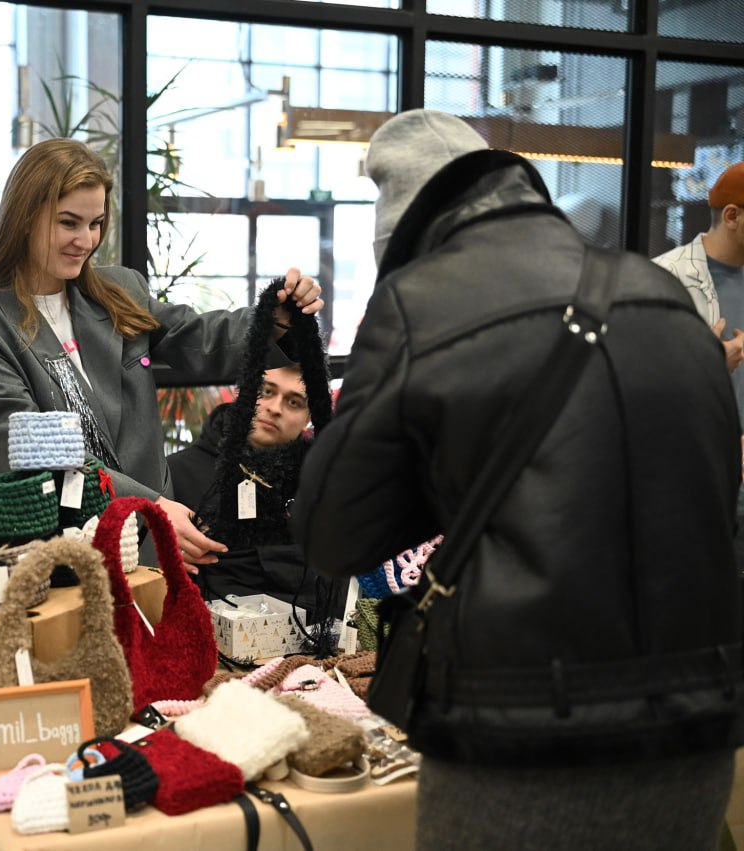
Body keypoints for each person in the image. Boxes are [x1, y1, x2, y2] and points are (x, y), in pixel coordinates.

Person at [290, 109, 744, 849]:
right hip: (697, 736)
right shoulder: (664, 296)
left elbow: (333, 532)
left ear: (404, 236)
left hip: (519, 736)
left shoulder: (418, 306)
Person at [0, 137, 323, 566]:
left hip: (150, 551)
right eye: (68, 223)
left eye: (95, 223)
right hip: (55, 553)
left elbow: (200, 339)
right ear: (25, 217)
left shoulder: (118, 291)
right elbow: (25, 450)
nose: (85, 240)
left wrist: (276, 318)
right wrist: (150, 505)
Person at [167, 359, 346, 646]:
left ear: (308, 417)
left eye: (294, 402)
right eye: (265, 391)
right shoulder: (172, 475)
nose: (275, 408)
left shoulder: (323, 486)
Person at [653, 162, 744, 572]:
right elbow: (641, 384)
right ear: (732, 217)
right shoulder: (664, 277)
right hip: (698, 482)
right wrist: (709, 367)